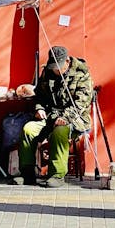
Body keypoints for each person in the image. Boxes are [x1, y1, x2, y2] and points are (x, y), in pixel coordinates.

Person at [16, 45, 94, 188]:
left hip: (75, 119)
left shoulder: (82, 73)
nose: (55, 70)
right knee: (28, 129)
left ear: (67, 62)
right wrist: (39, 109)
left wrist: (65, 117)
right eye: (53, 67)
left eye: (58, 66)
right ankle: (27, 174)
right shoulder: (47, 72)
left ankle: (57, 175)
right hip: (51, 116)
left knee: (59, 131)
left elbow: (81, 103)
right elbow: (39, 96)